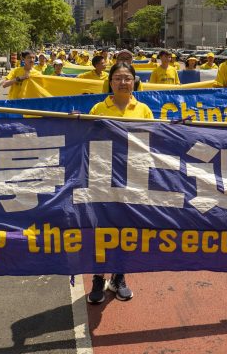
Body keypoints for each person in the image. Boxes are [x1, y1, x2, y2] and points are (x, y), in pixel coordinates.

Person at [86, 62, 153, 304]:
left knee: (125, 228)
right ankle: (98, 276)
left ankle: (119, 276)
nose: (123, 82)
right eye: (118, 78)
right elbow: (86, 136)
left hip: (132, 178)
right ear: (110, 82)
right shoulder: (98, 108)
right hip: (102, 176)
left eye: (127, 78)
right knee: (101, 227)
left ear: (134, 81)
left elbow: (153, 139)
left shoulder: (143, 109)